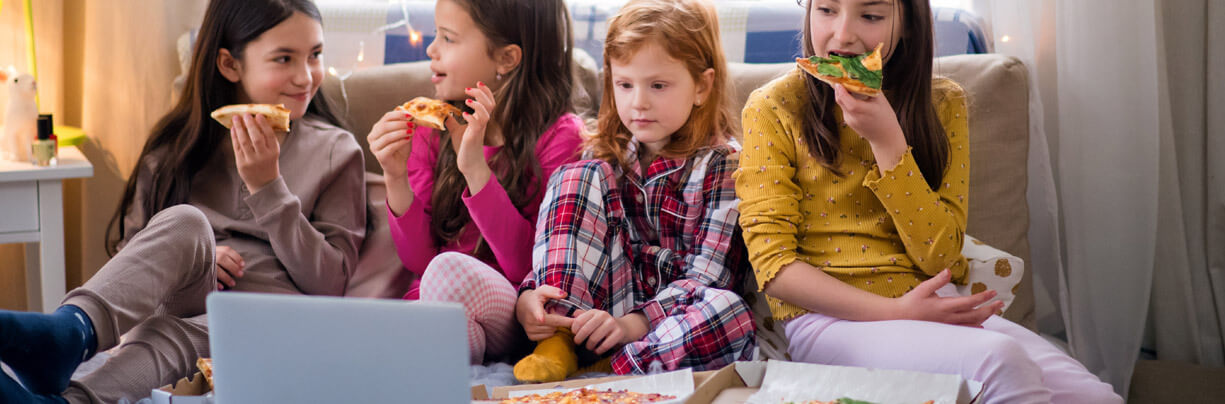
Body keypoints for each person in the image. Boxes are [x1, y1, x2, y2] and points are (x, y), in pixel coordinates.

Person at [734, 0, 1122, 402]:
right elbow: (775, 267)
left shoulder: (943, 103)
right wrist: (896, 312)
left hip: (934, 305)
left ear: (909, 26)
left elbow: (941, 257)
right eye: (827, 9)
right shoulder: (773, 107)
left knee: (1096, 396)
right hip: (827, 323)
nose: (843, 33)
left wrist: (888, 142)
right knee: (1000, 360)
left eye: (870, 16)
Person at [0, 0, 365, 403]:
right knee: (189, 223)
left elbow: (331, 282)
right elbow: (131, 262)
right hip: (180, 298)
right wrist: (203, 255)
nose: (305, 76)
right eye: (284, 58)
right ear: (229, 65)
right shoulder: (177, 149)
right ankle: (71, 332)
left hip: (270, 320)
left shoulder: (336, 151)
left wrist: (269, 190)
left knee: (177, 334)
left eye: (315, 55)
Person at [512, 0, 755, 383]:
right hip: (596, 311)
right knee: (576, 175)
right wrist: (531, 296)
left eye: (658, 85)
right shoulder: (602, 154)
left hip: (670, 320)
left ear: (702, 86)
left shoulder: (723, 165)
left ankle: (615, 368)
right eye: (625, 84)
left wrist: (632, 325)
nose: (638, 102)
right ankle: (557, 340)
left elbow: (710, 277)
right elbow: (566, 240)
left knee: (729, 311)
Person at [365, 0, 583, 364]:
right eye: (436, 35)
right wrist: (395, 175)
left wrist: (475, 169)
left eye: (448, 38)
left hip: (512, 309)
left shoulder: (561, 139)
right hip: (440, 310)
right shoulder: (431, 131)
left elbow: (523, 265)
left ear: (507, 59)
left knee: (448, 270)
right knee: (429, 287)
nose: (431, 50)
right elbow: (419, 260)